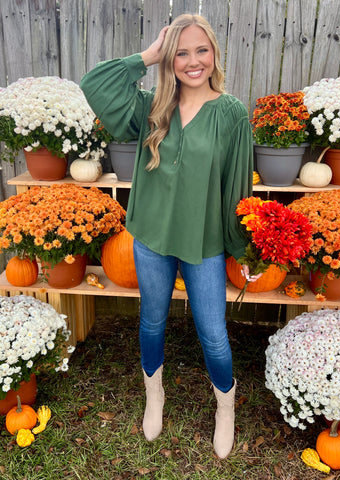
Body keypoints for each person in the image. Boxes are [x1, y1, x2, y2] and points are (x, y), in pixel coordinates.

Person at [81, 13, 257, 459]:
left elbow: (237, 184)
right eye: (181, 52)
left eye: (201, 50)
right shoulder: (151, 106)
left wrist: (240, 246)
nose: (192, 60)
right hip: (152, 237)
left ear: (214, 53)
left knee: (213, 332)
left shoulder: (232, 112)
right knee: (152, 321)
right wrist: (149, 55)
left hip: (205, 241)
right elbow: (94, 86)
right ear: (170, 57)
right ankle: (154, 396)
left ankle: (225, 409)